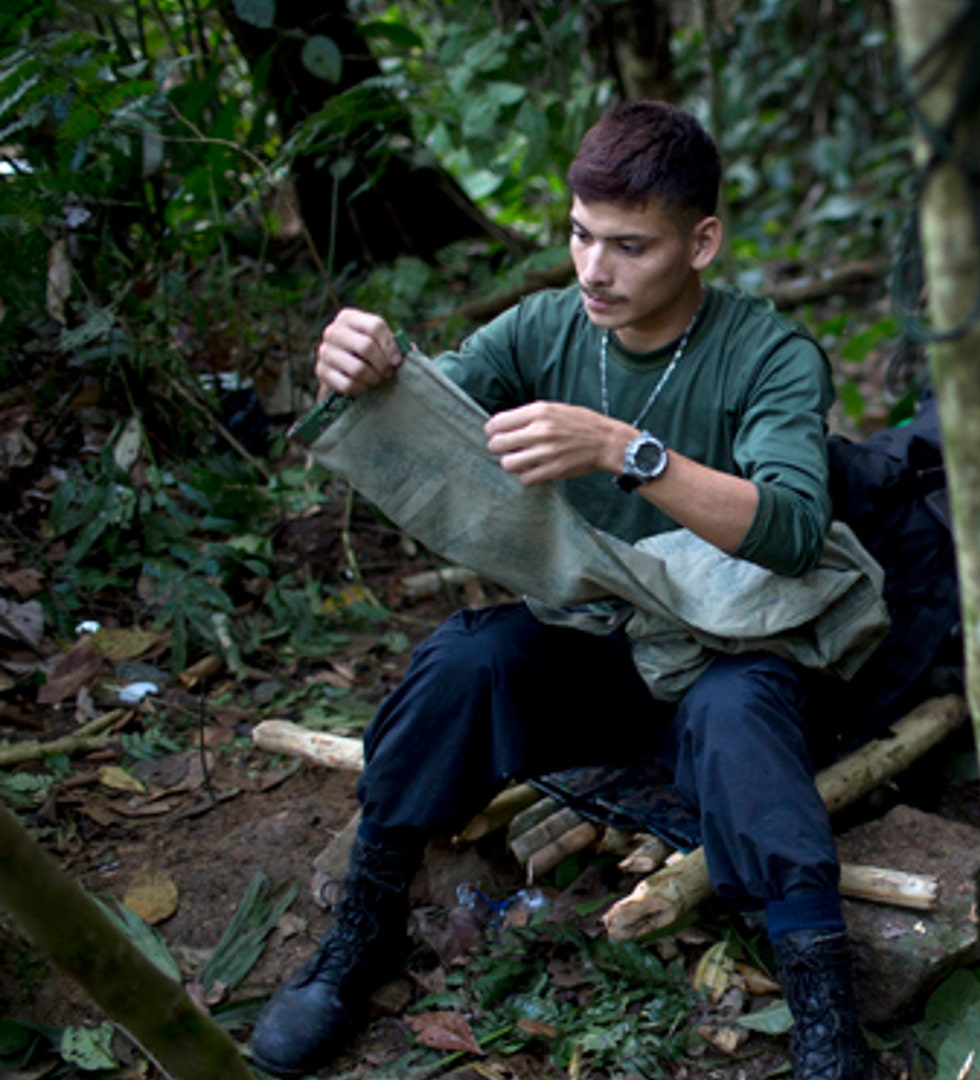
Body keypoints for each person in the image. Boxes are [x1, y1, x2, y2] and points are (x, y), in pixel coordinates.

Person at [250, 102, 873, 1080]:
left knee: (741, 717)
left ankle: (829, 1023)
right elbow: (433, 417)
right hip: (591, 648)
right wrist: (365, 367)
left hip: (727, 654)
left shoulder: (767, 353)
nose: (594, 269)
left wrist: (624, 452)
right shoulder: (545, 326)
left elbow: (793, 529)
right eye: (581, 234)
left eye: (631, 246)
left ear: (701, 240)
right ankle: (359, 938)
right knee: (468, 657)